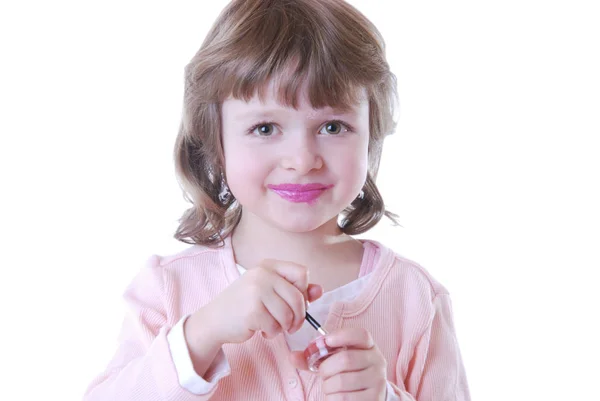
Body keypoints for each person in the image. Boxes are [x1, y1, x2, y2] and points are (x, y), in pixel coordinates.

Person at [83, 0, 470, 400]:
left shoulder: (415, 299)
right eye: (265, 128)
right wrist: (202, 333)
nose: (302, 161)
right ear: (215, 141)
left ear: (370, 133)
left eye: (333, 126)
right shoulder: (167, 291)